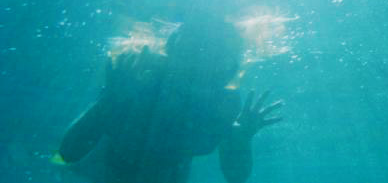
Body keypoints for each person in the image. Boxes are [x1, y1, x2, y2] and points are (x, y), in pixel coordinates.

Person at [57, 14, 283, 183]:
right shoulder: (140, 80)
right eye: (195, 53)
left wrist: (241, 139)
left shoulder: (224, 104)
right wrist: (110, 101)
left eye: (217, 58)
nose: (202, 68)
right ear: (173, 52)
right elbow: (69, 153)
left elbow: (236, 177)